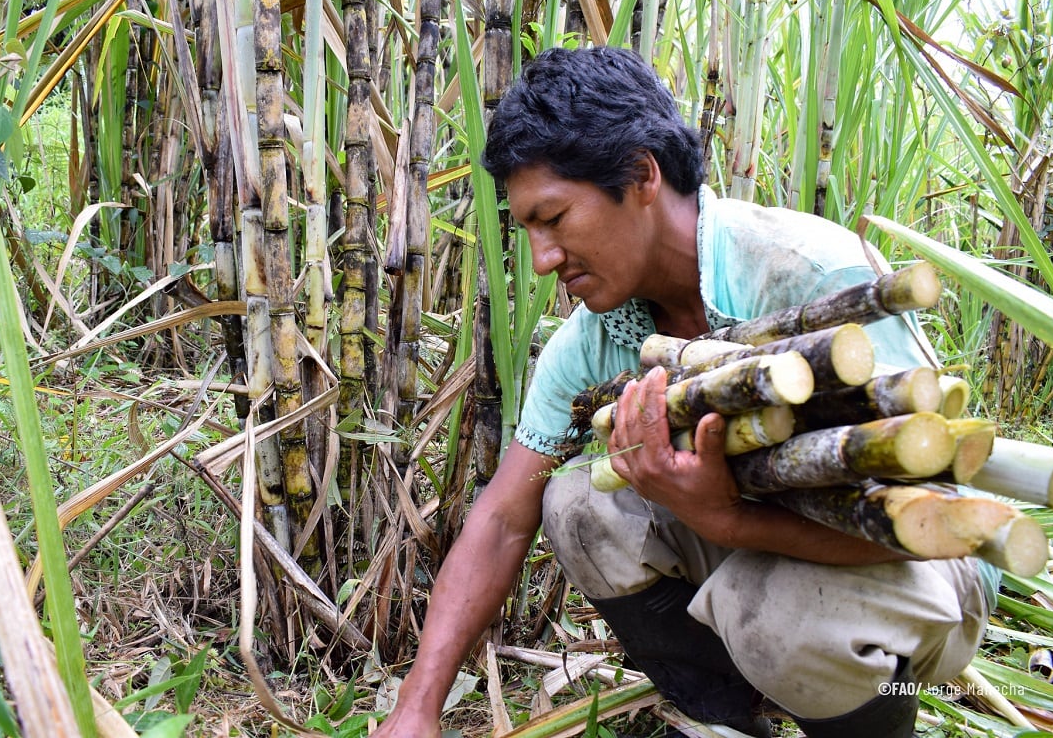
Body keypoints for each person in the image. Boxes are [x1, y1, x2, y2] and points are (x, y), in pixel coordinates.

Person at [372, 46, 994, 737]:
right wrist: (417, 705)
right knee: (577, 504)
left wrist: (728, 521)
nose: (543, 258)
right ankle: (733, 720)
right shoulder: (596, 337)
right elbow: (502, 520)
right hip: (769, 554)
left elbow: (935, 518)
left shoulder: (806, 274)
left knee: (767, 609)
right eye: (528, 230)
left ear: (642, 175)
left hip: (924, 561)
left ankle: (873, 720)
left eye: (555, 218)